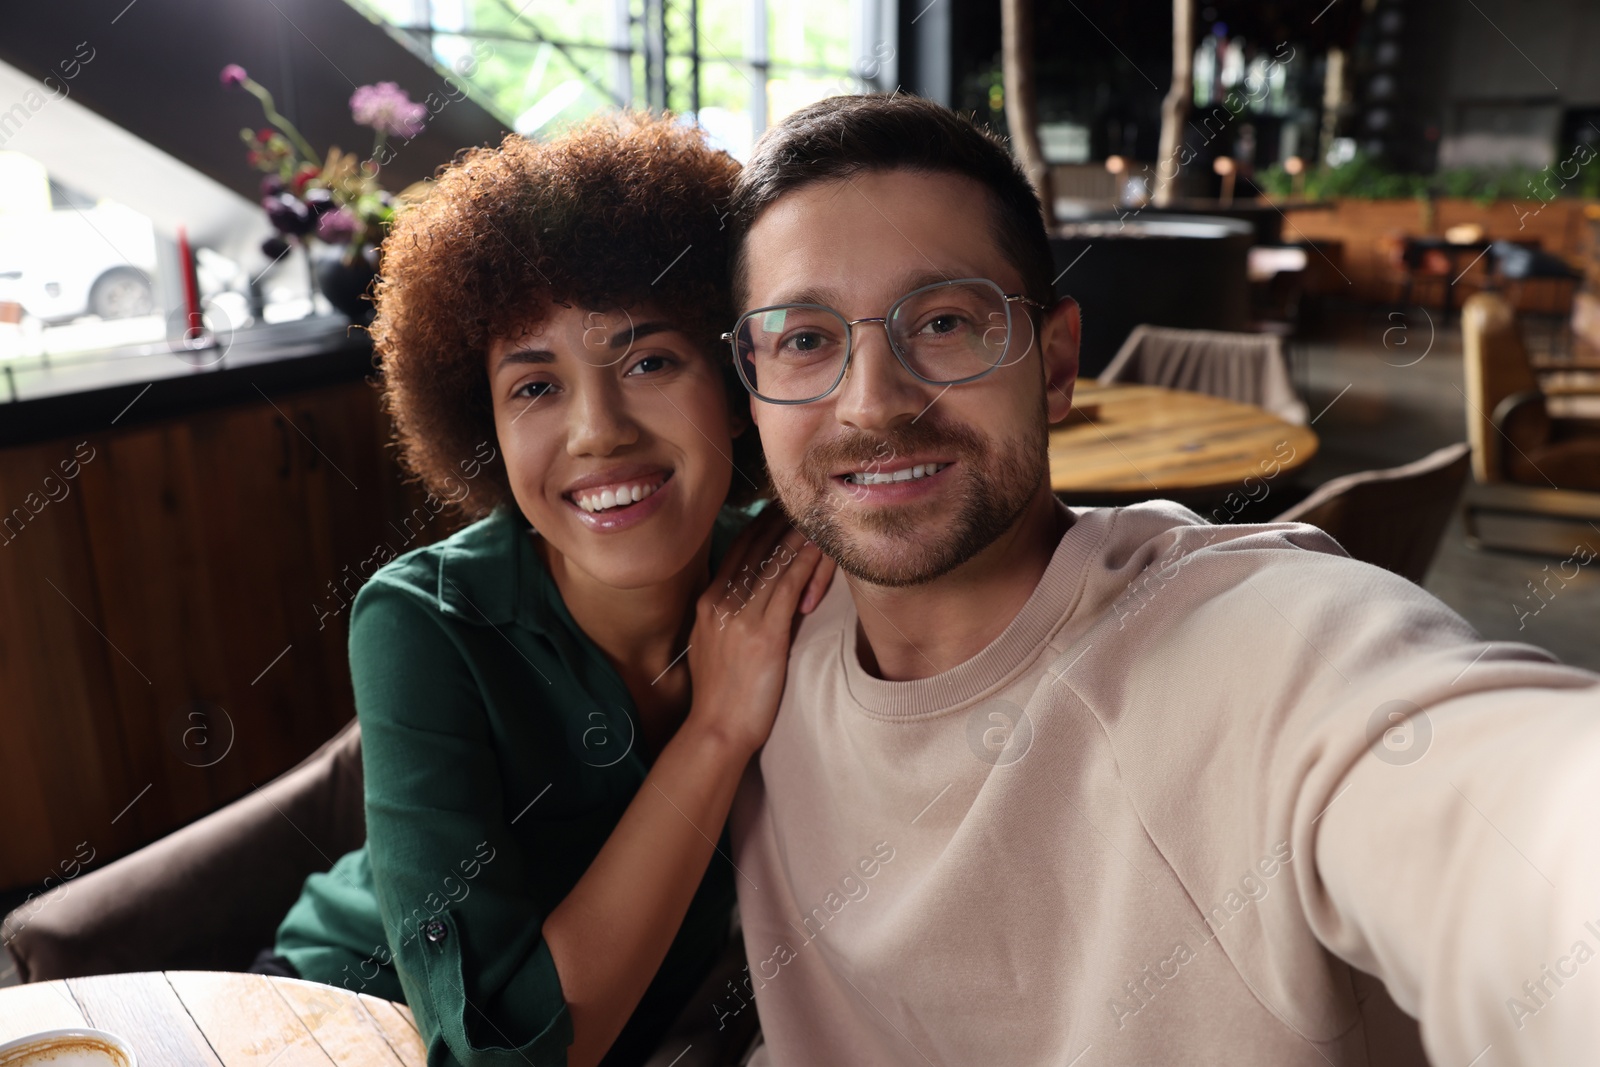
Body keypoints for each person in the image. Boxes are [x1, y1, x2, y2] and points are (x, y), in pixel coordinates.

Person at [722, 93, 1600, 1066]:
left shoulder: (1239, 649)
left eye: (944, 320)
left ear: (1056, 361)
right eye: (804, 338)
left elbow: (1506, 807)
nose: (873, 399)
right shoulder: (748, 641)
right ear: (751, 383)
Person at [264, 114, 832, 1067]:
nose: (597, 431)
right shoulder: (420, 620)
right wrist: (717, 729)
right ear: (476, 419)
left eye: (650, 361)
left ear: (735, 389)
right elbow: (502, 1053)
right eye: (535, 387)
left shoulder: (789, 572)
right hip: (339, 1018)